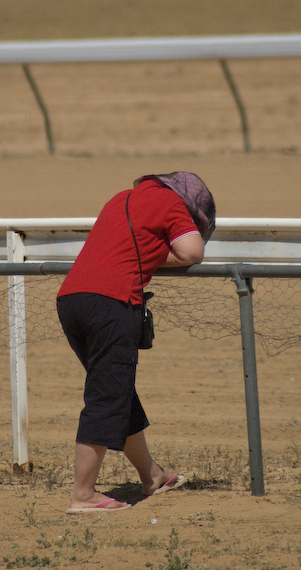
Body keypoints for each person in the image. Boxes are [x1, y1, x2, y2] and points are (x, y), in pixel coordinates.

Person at [56, 171, 216, 513]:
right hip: (112, 303)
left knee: (116, 389)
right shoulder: (171, 204)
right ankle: (83, 495)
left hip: (71, 300)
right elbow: (192, 252)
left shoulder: (119, 198)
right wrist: (157, 256)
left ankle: (153, 475)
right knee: (107, 395)